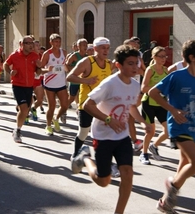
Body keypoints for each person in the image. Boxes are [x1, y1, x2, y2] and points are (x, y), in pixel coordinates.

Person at [72, 44, 152, 214]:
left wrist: (142, 122)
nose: (135, 67)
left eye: (136, 63)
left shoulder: (135, 85)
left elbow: (130, 107)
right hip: (103, 136)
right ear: (119, 65)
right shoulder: (109, 84)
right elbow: (88, 105)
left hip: (122, 137)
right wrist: (108, 119)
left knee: (127, 174)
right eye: (130, 63)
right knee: (104, 181)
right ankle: (85, 157)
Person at [148, 39, 195, 213]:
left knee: (185, 163)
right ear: (192, 57)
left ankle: (166, 203)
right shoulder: (177, 76)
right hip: (178, 125)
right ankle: (173, 186)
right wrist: (172, 110)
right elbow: (153, 92)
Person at [66, 37, 113, 160]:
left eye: (108, 48)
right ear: (95, 49)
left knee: (105, 132)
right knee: (84, 131)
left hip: (102, 104)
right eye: (103, 48)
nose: (106, 51)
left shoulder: (109, 64)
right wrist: (86, 80)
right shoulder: (87, 62)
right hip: (86, 103)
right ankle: (75, 154)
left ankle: (104, 160)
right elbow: (70, 77)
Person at [3, 36, 41, 143]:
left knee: (25, 110)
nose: (31, 45)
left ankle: (18, 127)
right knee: (24, 109)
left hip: (29, 86)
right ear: (22, 44)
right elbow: (6, 64)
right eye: (28, 43)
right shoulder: (15, 55)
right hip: (17, 85)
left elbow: (38, 72)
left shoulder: (35, 55)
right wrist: (9, 72)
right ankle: (18, 130)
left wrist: (39, 67)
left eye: (32, 43)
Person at [139, 46, 169, 165]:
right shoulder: (150, 70)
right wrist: (156, 90)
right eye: (161, 56)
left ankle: (154, 145)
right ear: (154, 57)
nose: (163, 59)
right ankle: (144, 154)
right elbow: (143, 87)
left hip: (161, 104)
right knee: (150, 131)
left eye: (165, 56)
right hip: (149, 104)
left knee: (168, 131)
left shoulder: (166, 70)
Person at [41, 33, 68, 135]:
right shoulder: (47, 54)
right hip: (49, 84)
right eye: (56, 42)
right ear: (51, 42)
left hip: (61, 83)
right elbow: (40, 69)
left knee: (65, 105)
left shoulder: (64, 52)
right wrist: (48, 69)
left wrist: (66, 68)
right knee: (51, 106)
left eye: (59, 41)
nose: (58, 44)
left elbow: (67, 66)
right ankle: (48, 126)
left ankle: (56, 119)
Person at [65, 38, 88, 116]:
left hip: (82, 81)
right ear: (78, 46)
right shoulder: (74, 56)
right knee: (71, 98)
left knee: (83, 98)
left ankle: (80, 112)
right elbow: (66, 64)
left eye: (86, 45)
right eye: (83, 45)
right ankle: (63, 110)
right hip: (74, 81)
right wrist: (72, 71)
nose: (85, 47)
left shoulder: (87, 56)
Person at [30, 40, 45, 121]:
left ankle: (33, 108)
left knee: (40, 100)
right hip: (28, 81)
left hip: (37, 80)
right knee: (28, 100)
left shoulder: (41, 56)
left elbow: (43, 67)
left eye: (39, 45)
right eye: (37, 45)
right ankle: (25, 116)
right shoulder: (29, 56)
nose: (39, 47)